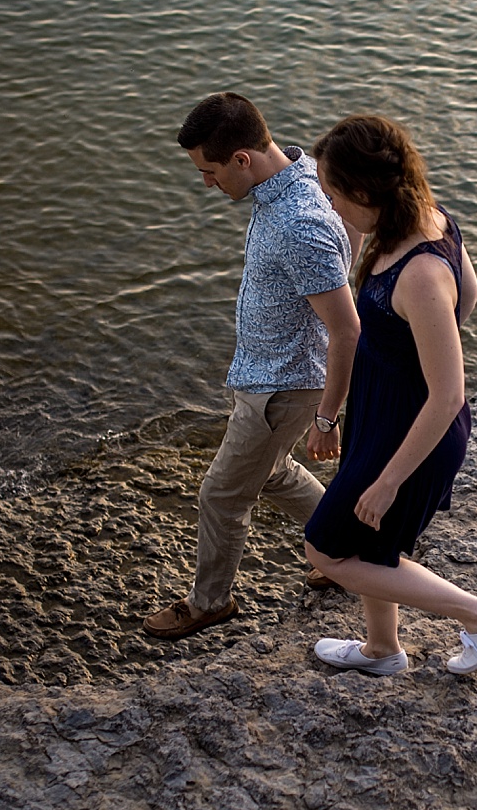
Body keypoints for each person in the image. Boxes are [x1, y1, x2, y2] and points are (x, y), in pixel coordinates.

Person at [303, 115, 477, 675]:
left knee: (327, 549)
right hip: (381, 408)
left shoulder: (419, 274)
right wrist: (408, 351)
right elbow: (469, 298)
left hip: (415, 425)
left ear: (361, 190)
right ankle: (382, 650)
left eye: (333, 194)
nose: (331, 207)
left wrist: (389, 479)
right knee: (375, 544)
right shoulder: (432, 218)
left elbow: (448, 394)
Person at [143, 92, 361, 640]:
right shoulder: (305, 172)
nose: (207, 184)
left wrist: (327, 418)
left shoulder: (296, 224)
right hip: (267, 375)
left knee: (221, 495)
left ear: (243, 158)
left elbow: (347, 328)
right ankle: (348, 546)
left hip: (281, 387)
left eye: (210, 172)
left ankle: (210, 602)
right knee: (271, 473)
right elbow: (352, 231)